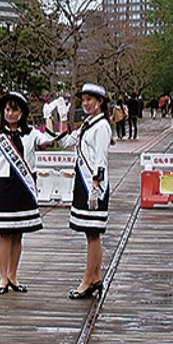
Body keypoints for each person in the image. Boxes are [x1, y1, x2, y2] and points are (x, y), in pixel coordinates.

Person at [0, 91, 48, 294]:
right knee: (4, 234)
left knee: (18, 233)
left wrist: (55, 118)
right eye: (7, 109)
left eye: (15, 109)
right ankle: (2, 277)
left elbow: (50, 139)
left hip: (23, 187)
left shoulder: (31, 134)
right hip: (3, 186)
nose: (10, 113)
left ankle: (13, 275)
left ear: (22, 111)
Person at [61, 83, 112, 299]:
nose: (85, 104)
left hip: (93, 184)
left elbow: (101, 159)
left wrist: (96, 186)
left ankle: (89, 279)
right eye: (83, 100)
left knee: (93, 233)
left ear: (100, 102)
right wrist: (61, 119)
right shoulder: (87, 125)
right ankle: (95, 277)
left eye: (89, 99)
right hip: (83, 182)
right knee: (89, 232)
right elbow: (65, 141)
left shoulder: (102, 127)